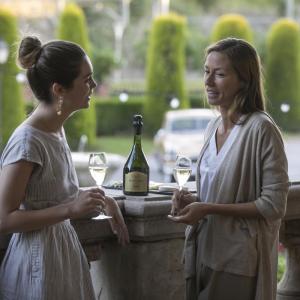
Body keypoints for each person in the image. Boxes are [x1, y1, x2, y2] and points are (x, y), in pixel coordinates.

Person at [0, 36, 129, 300]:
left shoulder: (56, 129)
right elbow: (4, 218)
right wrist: (70, 209)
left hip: (62, 255)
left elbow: (50, 194)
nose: (93, 85)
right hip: (36, 264)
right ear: (59, 89)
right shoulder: (28, 141)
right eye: (87, 79)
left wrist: (103, 200)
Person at [168, 38, 289, 300]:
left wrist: (208, 208)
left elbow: (274, 205)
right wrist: (194, 201)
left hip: (237, 259)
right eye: (206, 72)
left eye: (219, 74)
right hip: (204, 251)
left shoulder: (261, 130)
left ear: (244, 80)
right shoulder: (213, 128)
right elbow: (221, 193)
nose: (208, 82)